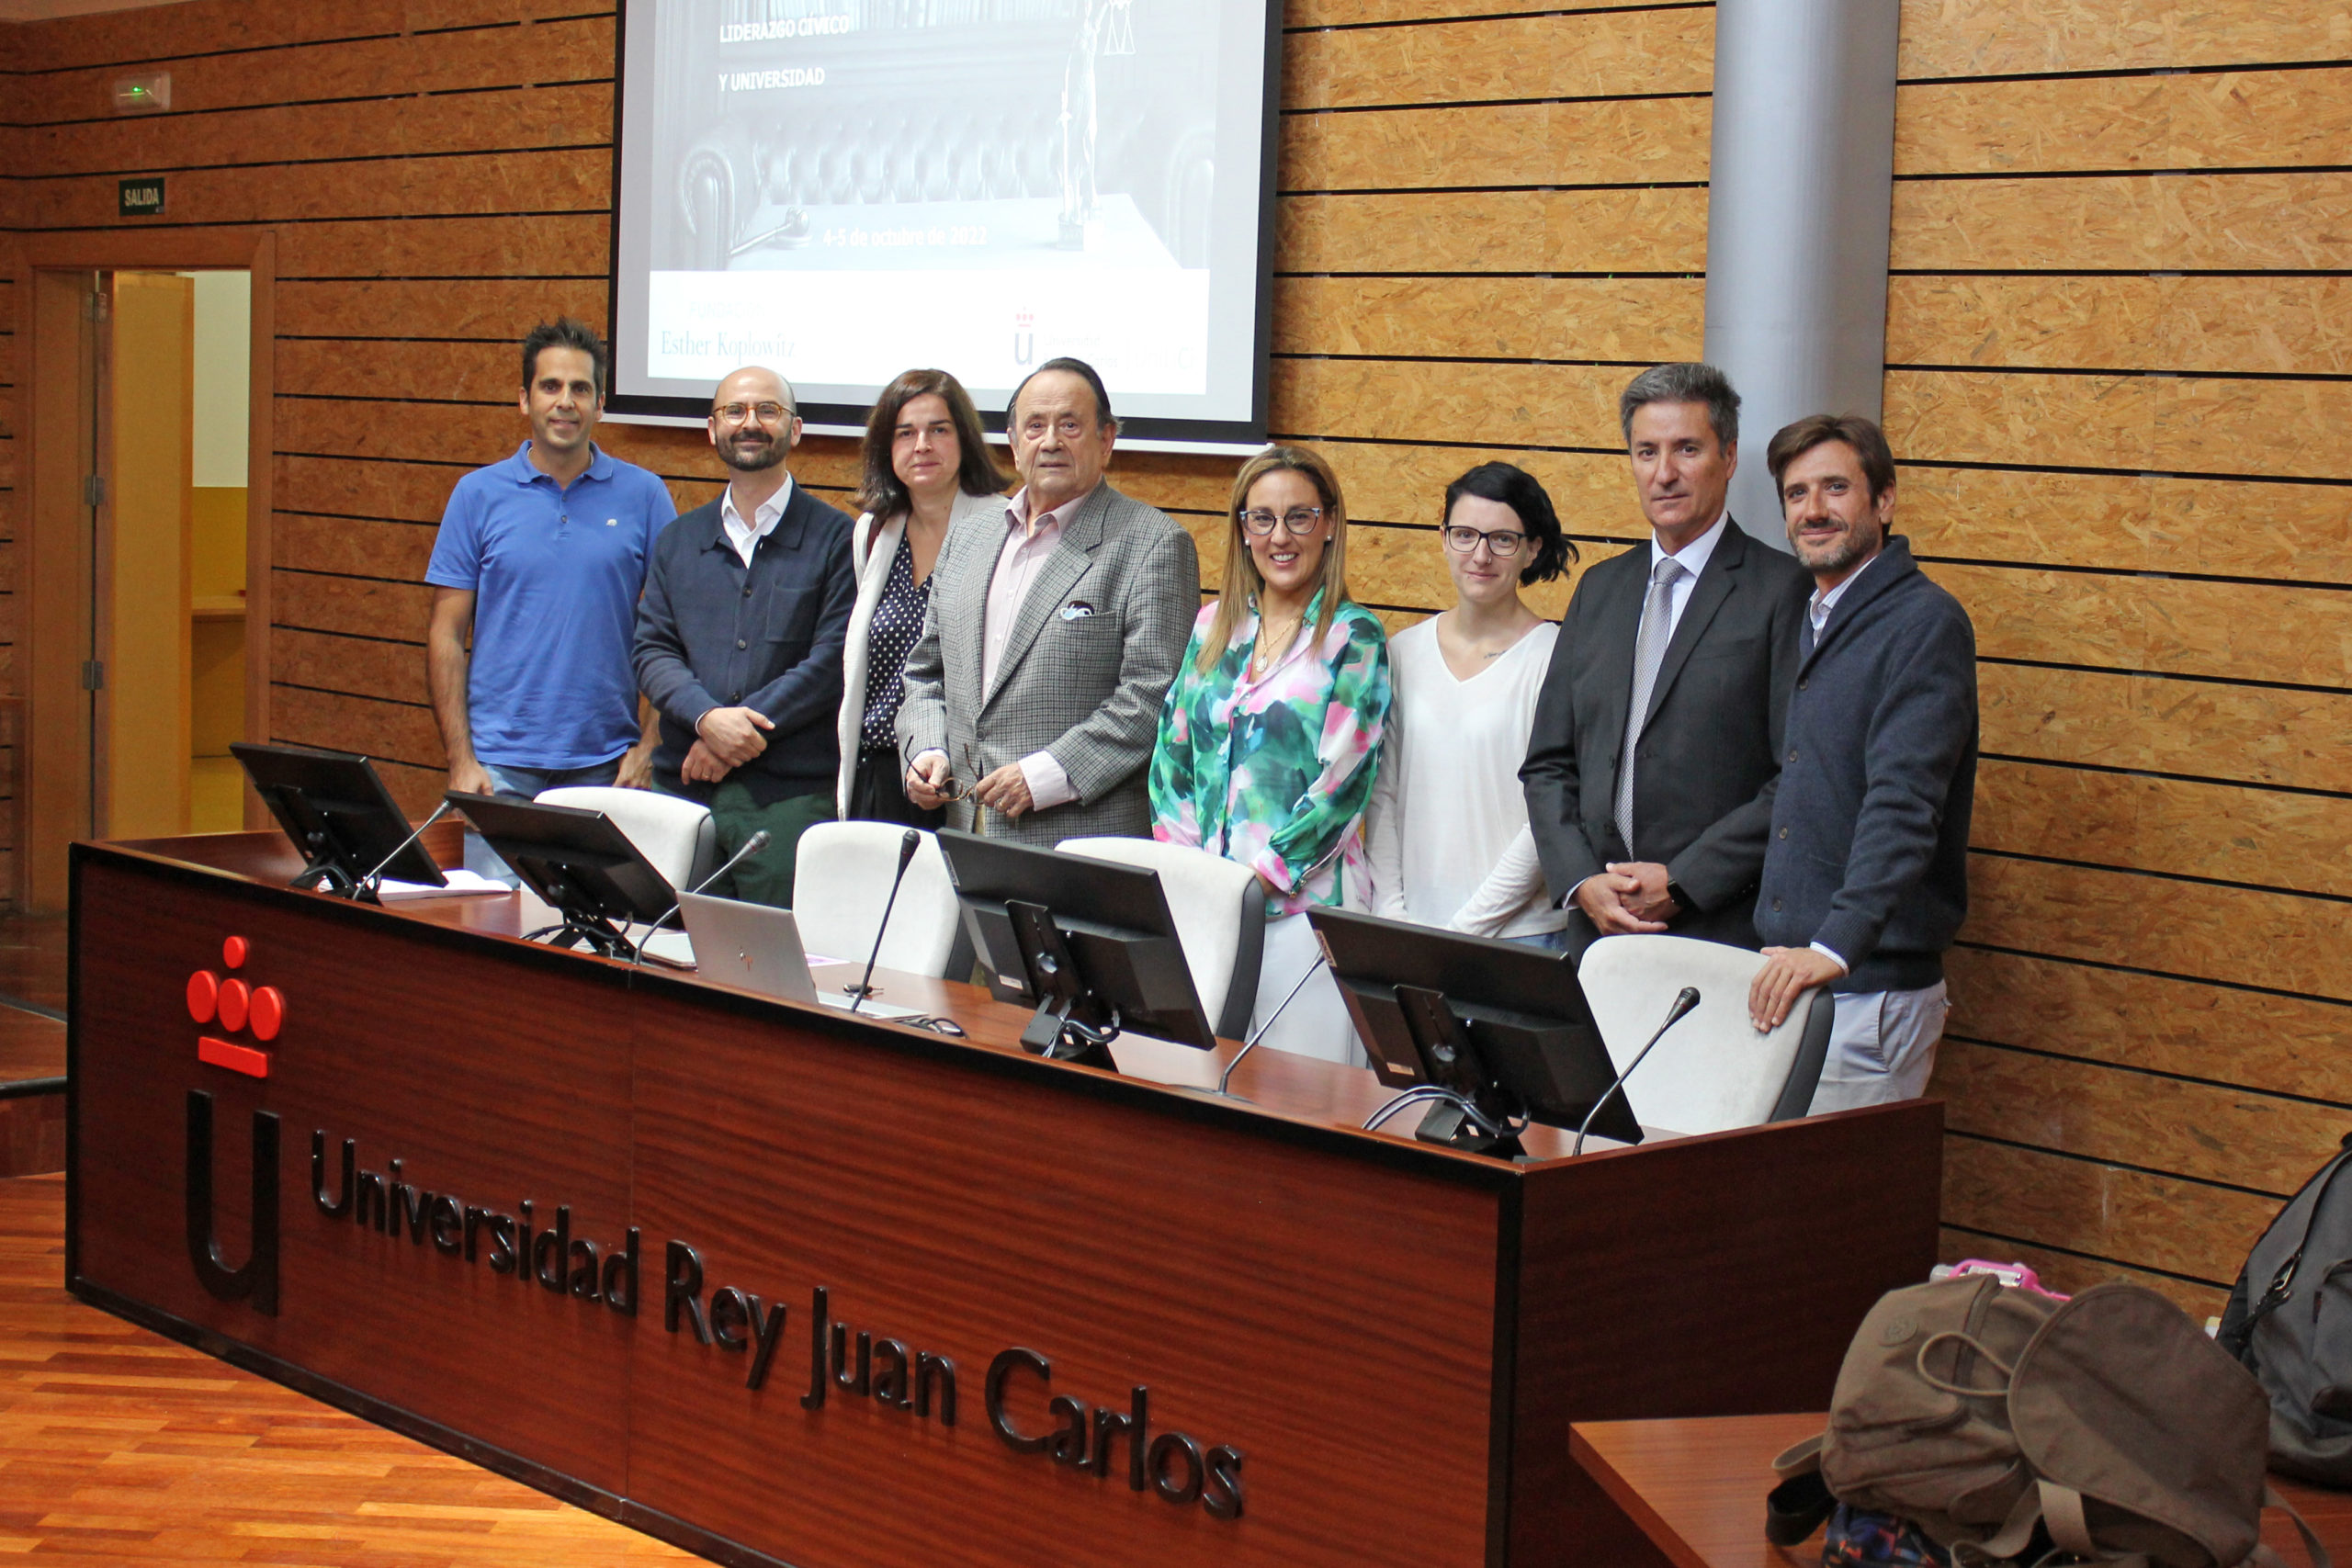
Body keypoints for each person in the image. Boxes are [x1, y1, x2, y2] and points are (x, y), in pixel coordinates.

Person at [1521, 362, 1813, 954]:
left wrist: (1684, 881)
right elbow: (1548, 762)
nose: (1665, 473)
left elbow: (1799, 775)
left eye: (1687, 449)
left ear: (1729, 458)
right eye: (1646, 452)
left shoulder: (1784, 590)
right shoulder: (1599, 590)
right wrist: (1581, 880)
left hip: (1717, 930)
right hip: (1596, 931)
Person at [1745, 414, 1978, 1112]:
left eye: (1835, 488)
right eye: (1796, 494)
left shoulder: (1924, 623)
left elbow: (1904, 804)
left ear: (1883, 501)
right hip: (1793, 982)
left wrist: (1836, 945)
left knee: (1842, 1216)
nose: (1813, 510)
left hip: (1865, 990)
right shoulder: (1808, 616)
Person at [1150, 446, 1389, 1065]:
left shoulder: (1353, 636)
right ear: (1242, 528)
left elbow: (1342, 787)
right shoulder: (1212, 627)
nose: (1279, 537)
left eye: (1299, 517)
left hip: (1302, 920)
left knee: (1301, 1110)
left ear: (1330, 523)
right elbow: (1172, 759)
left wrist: (1255, 880)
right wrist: (1196, 878)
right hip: (1205, 912)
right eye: (1262, 518)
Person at [898, 356, 1198, 844]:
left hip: (1077, 841)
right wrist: (928, 749)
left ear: (1106, 440)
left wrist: (1042, 777)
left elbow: (1152, 695)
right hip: (965, 832)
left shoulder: (1154, 543)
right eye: (1035, 426)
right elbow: (926, 672)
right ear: (1014, 444)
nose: (1051, 441)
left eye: (1071, 425)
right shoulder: (966, 539)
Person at [426, 319, 675, 874]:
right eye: (551, 386)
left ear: (601, 403)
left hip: (606, 768)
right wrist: (461, 760)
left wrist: (648, 748)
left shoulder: (645, 495)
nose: (566, 402)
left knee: (592, 940)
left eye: (581, 389)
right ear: (524, 399)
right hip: (498, 771)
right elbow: (445, 634)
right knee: (497, 940)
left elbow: (671, 634)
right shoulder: (477, 495)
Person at [633, 368, 855, 905]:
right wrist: (709, 721)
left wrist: (731, 740)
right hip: (682, 794)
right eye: (734, 411)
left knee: (768, 972)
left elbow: (832, 662)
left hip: (788, 803)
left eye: (767, 411)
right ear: (712, 430)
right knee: (661, 958)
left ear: (795, 430)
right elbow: (653, 650)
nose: (749, 423)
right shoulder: (678, 540)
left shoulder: (839, 538)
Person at [1367, 463, 1575, 946]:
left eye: (1502, 539)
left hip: (1519, 936)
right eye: (1464, 534)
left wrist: (1466, 930)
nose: (1480, 555)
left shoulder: (1556, 658)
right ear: (1443, 538)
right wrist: (1392, 911)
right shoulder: (1403, 652)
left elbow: (1548, 813)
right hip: (1411, 927)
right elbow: (1383, 795)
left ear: (1532, 548)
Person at [835, 369, 1006, 827]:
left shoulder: (1003, 527)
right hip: (878, 768)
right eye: (905, 433)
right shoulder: (873, 532)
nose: (922, 445)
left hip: (957, 776)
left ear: (964, 439)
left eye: (938, 430)